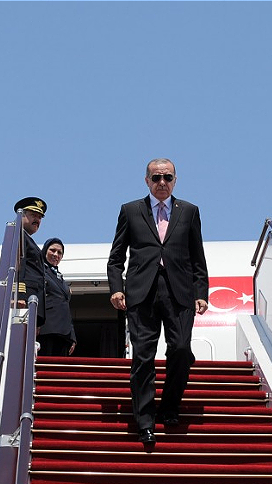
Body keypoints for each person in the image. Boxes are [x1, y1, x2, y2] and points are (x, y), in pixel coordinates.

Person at [107, 158, 209, 445]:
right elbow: (116, 257)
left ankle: (170, 406)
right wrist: (116, 288)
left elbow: (197, 256)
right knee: (143, 356)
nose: (162, 182)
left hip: (179, 292)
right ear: (147, 181)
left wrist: (201, 292)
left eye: (167, 177)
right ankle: (145, 421)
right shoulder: (130, 210)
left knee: (181, 349)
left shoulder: (189, 211)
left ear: (175, 180)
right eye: (156, 178)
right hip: (142, 293)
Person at [38, 237, 77, 356]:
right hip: (46, 329)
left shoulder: (60, 278)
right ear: (45, 251)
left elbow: (66, 307)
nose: (56, 254)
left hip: (64, 333)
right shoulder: (39, 271)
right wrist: (36, 323)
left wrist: (72, 336)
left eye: (59, 252)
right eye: (52, 250)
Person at [14, 197, 47, 329]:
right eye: (33, 215)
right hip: (26, 298)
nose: (37, 220)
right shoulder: (18, 235)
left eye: (39, 217)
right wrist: (19, 295)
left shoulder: (27, 239)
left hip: (33, 298)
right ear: (22, 215)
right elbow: (18, 265)